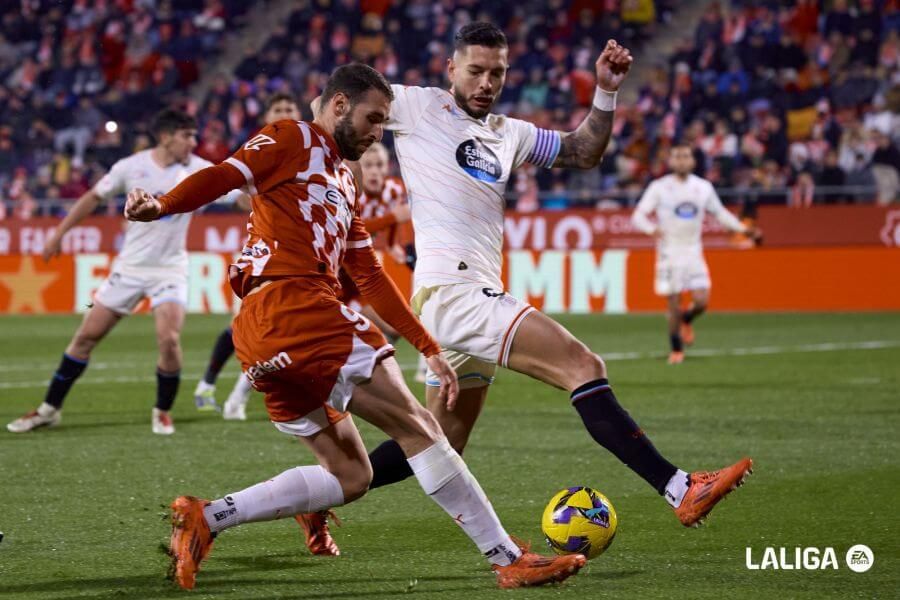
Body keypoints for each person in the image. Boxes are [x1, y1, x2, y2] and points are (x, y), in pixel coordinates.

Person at [124, 63, 585, 591]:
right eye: (372, 119)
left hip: (262, 333)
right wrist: (161, 205)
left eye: (384, 123)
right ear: (339, 104)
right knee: (421, 429)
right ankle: (507, 557)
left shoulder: (343, 180)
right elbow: (224, 174)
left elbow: (368, 273)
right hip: (298, 305)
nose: (376, 132)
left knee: (352, 476)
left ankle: (206, 517)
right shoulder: (291, 135)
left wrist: (427, 345)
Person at [299, 23, 754, 555]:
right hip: (455, 290)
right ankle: (679, 487)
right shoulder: (417, 106)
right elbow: (330, 103)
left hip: (462, 294)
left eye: (497, 72)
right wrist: (324, 167)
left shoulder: (508, 132)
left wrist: (605, 91)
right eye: (475, 71)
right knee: (583, 366)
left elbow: (583, 151)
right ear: (451, 69)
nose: (486, 82)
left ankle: (319, 496)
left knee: (440, 443)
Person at [7, 108, 239, 435]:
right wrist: (59, 233)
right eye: (187, 135)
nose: (194, 142)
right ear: (166, 137)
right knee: (85, 338)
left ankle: (162, 411)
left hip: (170, 270)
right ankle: (49, 409)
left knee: (169, 340)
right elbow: (93, 197)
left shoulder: (200, 169)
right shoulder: (131, 167)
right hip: (128, 268)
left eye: (194, 135)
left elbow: (240, 198)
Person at [194, 93, 303, 419]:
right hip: (265, 250)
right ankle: (223, 390)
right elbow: (235, 188)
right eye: (277, 110)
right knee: (255, 325)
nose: (283, 114)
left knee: (272, 327)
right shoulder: (259, 148)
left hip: (304, 250)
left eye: (289, 110)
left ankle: (225, 392)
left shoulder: (308, 149)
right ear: (266, 117)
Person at [632, 144, 761, 364]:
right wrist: (652, 229)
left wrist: (743, 229)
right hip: (669, 252)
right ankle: (676, 349)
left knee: (701, 301)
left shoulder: (703, 187)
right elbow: (638, 216)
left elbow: (720, 213)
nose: (681, 160)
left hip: (693, 251)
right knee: (673, 301)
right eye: (677, 156)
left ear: (692, 161)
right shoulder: (659, 187)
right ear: (671, 162)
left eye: (685, 156)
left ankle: (686, 319)